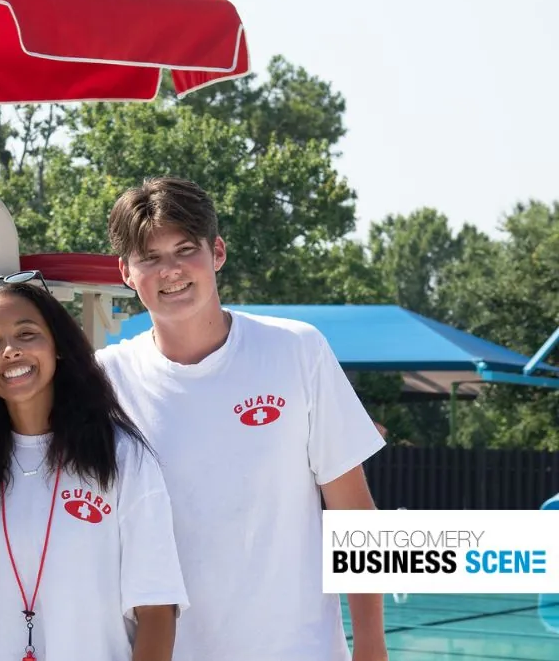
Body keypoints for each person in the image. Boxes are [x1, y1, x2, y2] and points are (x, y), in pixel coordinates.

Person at [96, 177, 388, 661]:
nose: (170, 271)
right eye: (150, 258)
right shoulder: (107, 380)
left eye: (185, 249)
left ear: (217, 253)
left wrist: (372, 646)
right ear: (126, 271)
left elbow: (354, 513)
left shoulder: (296, 350)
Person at [0, 272, 187, 661]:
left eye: (26, 334)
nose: (10, 351)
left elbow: (156, 610)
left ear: (57, 344)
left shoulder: (120, 455)